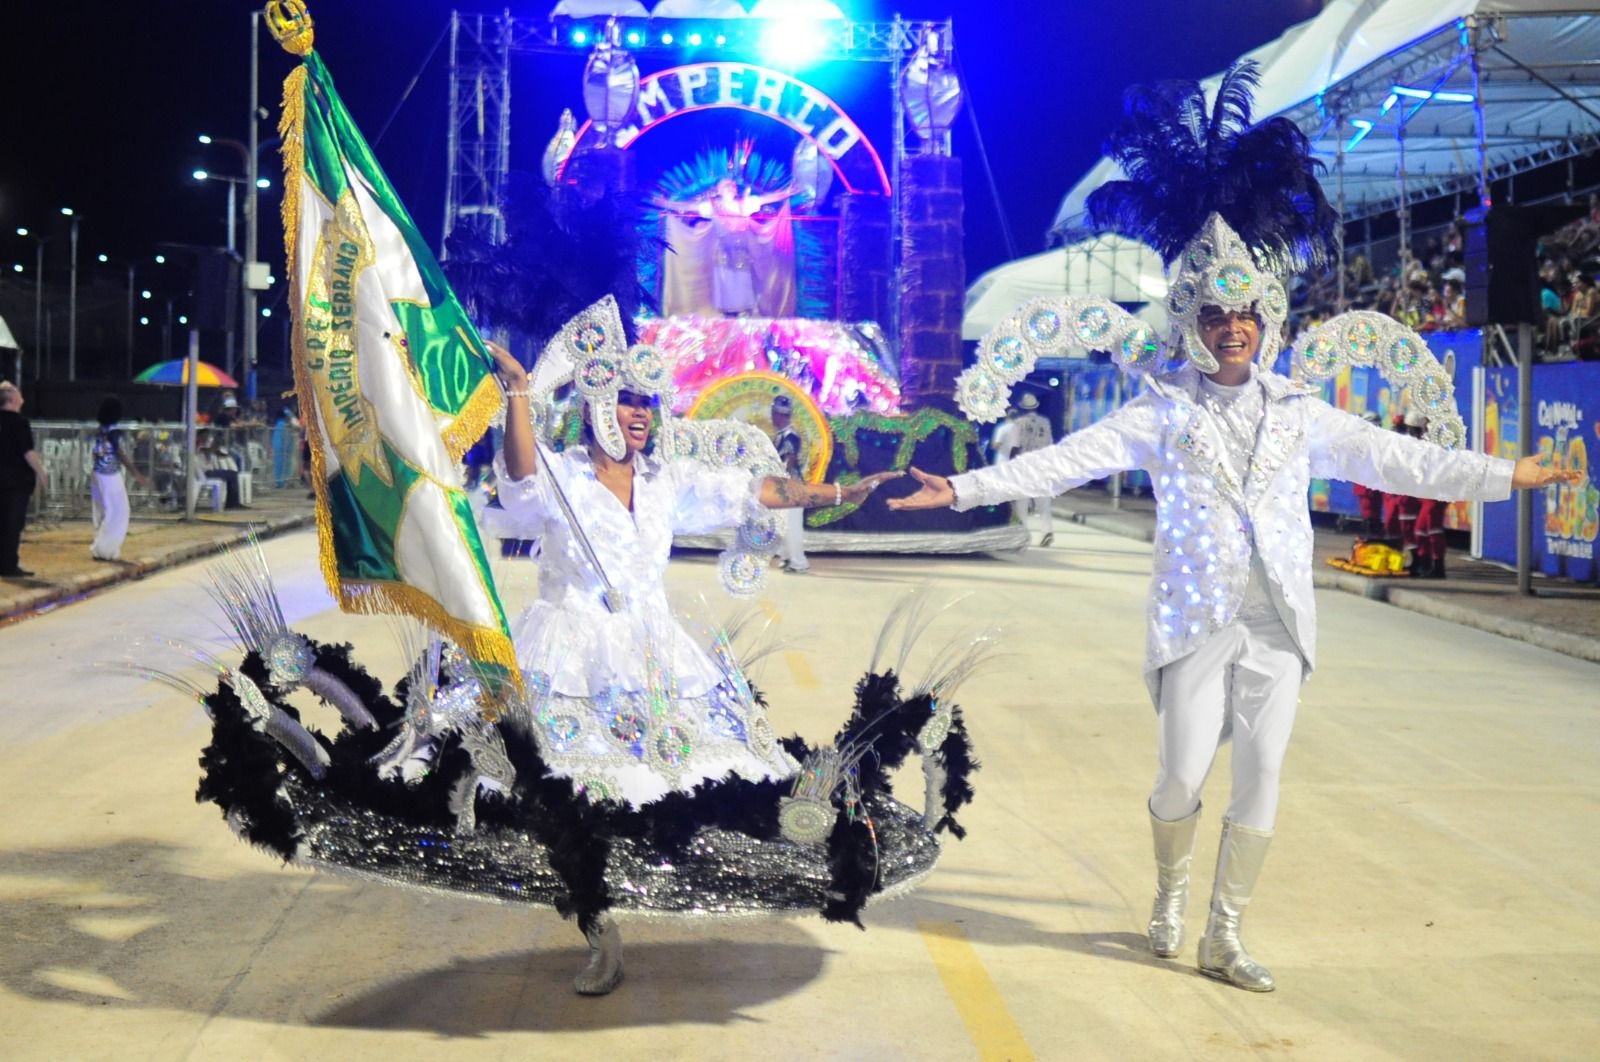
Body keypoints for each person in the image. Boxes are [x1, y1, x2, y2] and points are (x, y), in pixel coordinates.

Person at [893, 61, 1585, 993]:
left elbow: (1399, 458)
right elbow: (1062, 461)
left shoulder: (1302, 413)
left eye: (1244, 315)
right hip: (1192, 623)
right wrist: (965, 489)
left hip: (1280, 624)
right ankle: (1170, 896)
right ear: (1192, 320)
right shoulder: (1159, 411)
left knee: (1261, 783)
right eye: (1214, 314)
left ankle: (1224, 933)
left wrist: (1512, 472)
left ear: (1266, 321)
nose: (1231, 329)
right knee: (1181, 778)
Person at [988, 391, 1056, 546]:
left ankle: (1023, 534)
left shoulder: (1018, 424)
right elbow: (1050, 445)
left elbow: (1014, 447)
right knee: (1043, 502)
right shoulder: (1045, 423)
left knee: (1021, 502)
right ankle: (1047, 531)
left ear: (1023, 409)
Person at [89, 396, 151, 562]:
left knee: (102, 512)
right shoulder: (114, 431)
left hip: (97, 474)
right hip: (110, 475)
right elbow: (119, 453)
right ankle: (106, 550)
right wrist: (136, 473)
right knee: (118, 512)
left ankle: (100, 548)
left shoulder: (100, 429)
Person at [0, 380, 46, 578]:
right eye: (17, 392)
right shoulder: (20, 423)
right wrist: (42, 473)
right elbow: (27, 452)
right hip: (17, 481)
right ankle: (9, 565)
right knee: (13, 524)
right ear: (11, 399)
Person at [769, 394, 809, 573]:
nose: (772, 417)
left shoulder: (790, 436)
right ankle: (786, 557)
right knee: (783, 524)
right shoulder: (780, 435)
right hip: (784, 486)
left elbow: (788, 461)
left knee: (792, 526)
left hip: (791, 486)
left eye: (774, 413)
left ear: (779, 415)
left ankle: (798, 562)